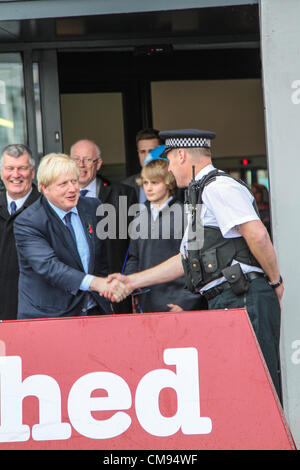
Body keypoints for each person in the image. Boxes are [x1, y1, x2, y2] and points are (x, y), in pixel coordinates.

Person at [106, 129, 283, 399]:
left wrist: (275, 282)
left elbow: (257, 234)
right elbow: (187, 259)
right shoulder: (198, 194)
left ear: (181, 155)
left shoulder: (218, 187)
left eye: (168, 160)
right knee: (236, 390)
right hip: (227, 300)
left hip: (244, 297)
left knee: (257, 391)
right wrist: (132, 281)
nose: (168, 168)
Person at [13, 153, 128, 320]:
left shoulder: (92, 207)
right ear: (45, 188)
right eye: (63, 184)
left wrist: (107, 290)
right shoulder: (28, 221)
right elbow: (50, 267)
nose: (72, 189)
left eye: (74, 181)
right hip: (50, 317)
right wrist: (97, 284)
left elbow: (100, 261)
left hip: (94, 311)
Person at [124, 145, 206, 313]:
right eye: (145, 182)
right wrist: (128, 286)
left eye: (155, 182)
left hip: (177, 303)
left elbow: (197, 261)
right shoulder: (139, 216)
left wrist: (186, 302)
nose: (148, 188)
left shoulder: (186, 214)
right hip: (146, 303)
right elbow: (134, 257)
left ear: (169, 183)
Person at [70, 139, 138, 313]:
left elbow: (133, 245)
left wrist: (127, 280)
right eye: (76, 160)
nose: (81, 165)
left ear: (98, 164)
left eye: (87, 160)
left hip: (114, 290)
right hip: (73, 295)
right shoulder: (60, 197)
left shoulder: (123, 194)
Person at [0, 144, 40, 320]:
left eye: (22, 168)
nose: (15, 175)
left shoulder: (46, 209)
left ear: (32, 172)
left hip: (32, 313)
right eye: (9, 168)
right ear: (2, 172)